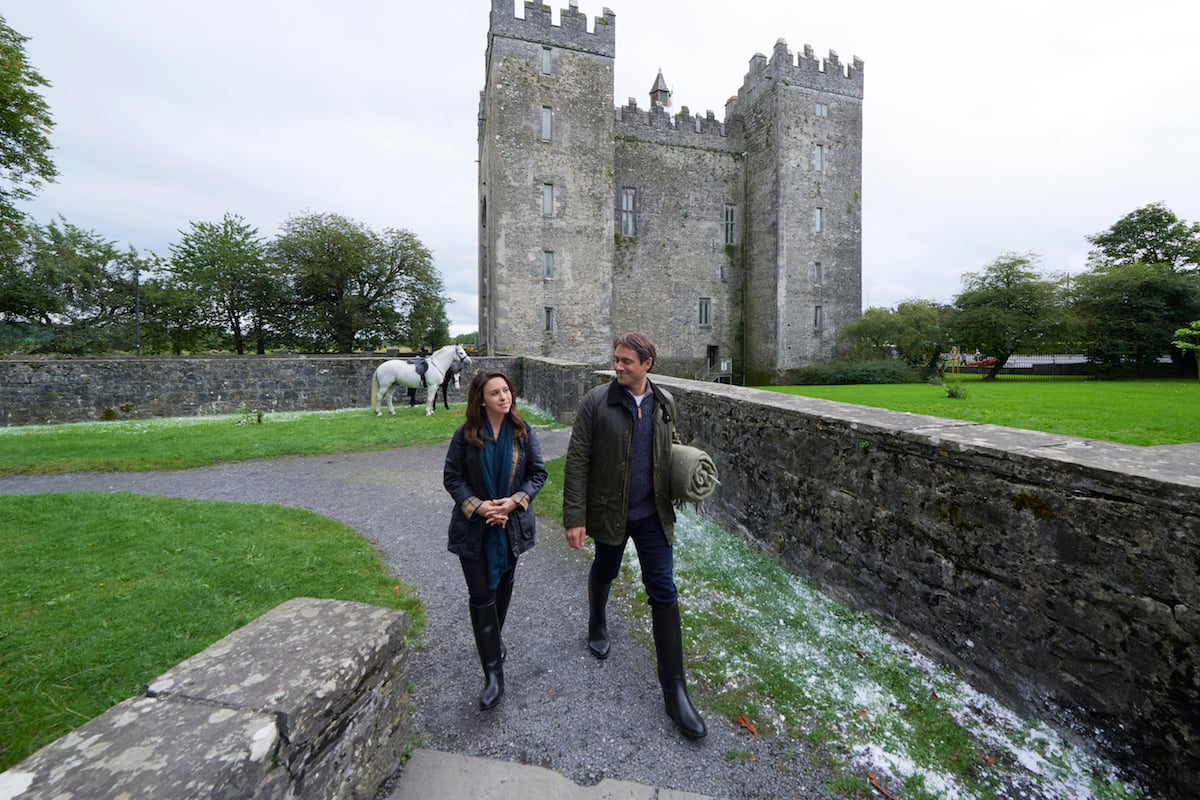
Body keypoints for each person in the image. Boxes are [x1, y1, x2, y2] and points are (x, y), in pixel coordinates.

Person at [562, 332, 707, 739]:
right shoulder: (596, 402)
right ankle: (596, 622)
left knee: (664, 590)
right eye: (617, 360)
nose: (619, 366)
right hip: (611, 514)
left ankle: (675, 692)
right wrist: (575, 517)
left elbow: (669, 447)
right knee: (605, 569)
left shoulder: (664, 404)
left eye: (627, 361)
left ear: (648, 364)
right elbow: (576, 462)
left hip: (652, 517)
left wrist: (686, 474)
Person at [444, 369, 547, 710]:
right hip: (474, 529)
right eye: (495, 393)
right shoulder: (466, 436)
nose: (504, 397)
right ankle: (493, 673)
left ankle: (493, 642)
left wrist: (515, 501)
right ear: (481, 400)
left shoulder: (522, 432)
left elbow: (537, 474)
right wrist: (480, 506)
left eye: (507, 391)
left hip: (511, 526)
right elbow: (453, 477)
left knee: (502, 587)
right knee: (481, 596)